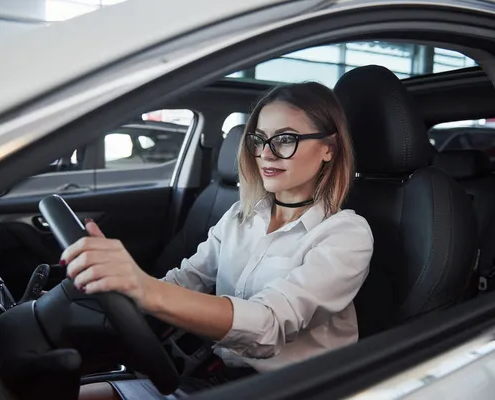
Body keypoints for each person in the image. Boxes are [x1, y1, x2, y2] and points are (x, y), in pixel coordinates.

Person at [64, 82, 374, 399]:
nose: (265, 154)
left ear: (329, 148)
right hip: (215, 377)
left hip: (289, 389)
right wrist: (108, 285)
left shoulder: (345, 234)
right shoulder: (242, 216)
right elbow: (188, 280)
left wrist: (145, 290)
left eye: (285, 139)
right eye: (258, 139)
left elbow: (269, 325)